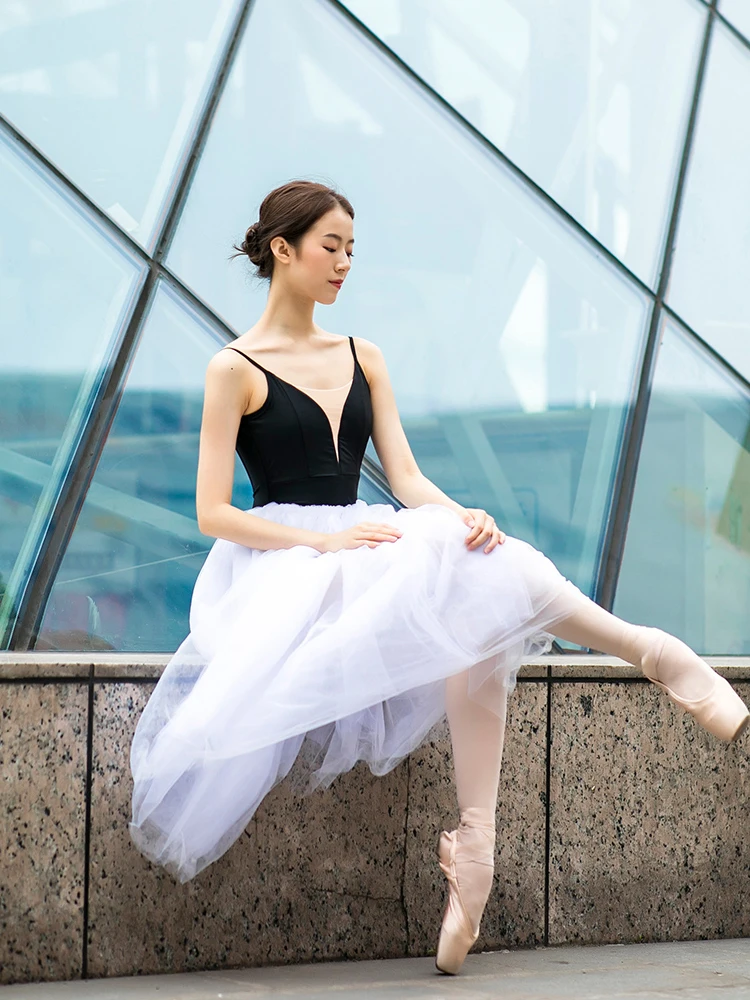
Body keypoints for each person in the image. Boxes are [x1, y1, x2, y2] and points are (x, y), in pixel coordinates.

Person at [129, 179, 749, 976]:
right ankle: (649, 655)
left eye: (352, 248)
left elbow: (408, 477)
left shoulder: (363, 356)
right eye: (331, 246)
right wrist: (319, 545)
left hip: (364, 539)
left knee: (483, 578)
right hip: (283, 564)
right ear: (282, 250)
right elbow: (213, 512)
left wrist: (463, 517)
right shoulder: (233, 369)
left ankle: (481, 854)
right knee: (470, 600)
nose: (345, 262)